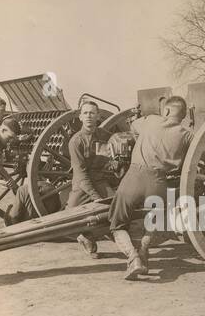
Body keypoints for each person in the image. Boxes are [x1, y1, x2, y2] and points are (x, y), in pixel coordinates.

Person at [107, 95, 194, 280]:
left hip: (134, 177)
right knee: (152, 223)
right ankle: (144, 250)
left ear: (167, 110)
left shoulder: (152, 120)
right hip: (159, 183)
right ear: (184, 116)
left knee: (117, 225)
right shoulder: (187, 134)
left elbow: (132, 126)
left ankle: (133, 258)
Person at [66, 100, 114, 258]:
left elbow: (114, 158)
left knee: (114, 210)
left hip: (100, 180)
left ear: (98, 116)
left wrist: (115, 164)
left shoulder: (106, 137)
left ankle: (91, 236)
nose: (89, 116)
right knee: (70, 219)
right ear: (80, 117)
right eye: (85, 113)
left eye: (92, 113)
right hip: (82, 184)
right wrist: (95, 197)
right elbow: (80, 174)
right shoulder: (76, 141)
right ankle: (84, 236)